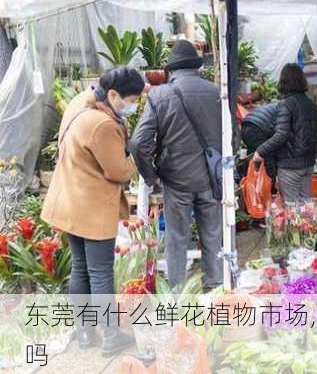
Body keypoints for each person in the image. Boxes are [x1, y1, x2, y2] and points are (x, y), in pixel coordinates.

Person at [41, 66, 144, 355]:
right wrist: (138, 160)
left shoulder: (79, 103)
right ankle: (111, 336)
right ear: (113, 94)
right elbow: (119, 171)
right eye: (132, 99)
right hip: (93, 208)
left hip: (69, 202)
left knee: (80, 269)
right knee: (100, 274)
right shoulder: (103, 125)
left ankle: (85, 332)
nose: (133, 106)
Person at [130, 40, 223, 290]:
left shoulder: (159, 95)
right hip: (211, 178)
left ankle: (178, 297)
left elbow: (139, 142)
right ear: (196, 67)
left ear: (171, 70)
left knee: (177, 239)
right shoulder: (216, 92)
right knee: (213, 237)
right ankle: (215, 292)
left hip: (176, 180)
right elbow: (233, 135)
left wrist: (150, 176)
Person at [252, 63, 317, 203]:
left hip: (290, 166)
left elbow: (281, 134)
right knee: (305, 206)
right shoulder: (311, 104)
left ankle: (296, 225)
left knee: (292, 210)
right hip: (308, 163)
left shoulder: (286, 104)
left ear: (283, 81)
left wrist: (260, 152)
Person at [241, 103, 278, 180]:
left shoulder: (277, 106)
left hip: (246, 125)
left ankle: (246, 179)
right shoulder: (289, 111)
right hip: (258, 128)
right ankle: (272, 184)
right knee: (268, 157)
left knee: (252, 156)